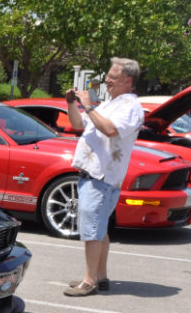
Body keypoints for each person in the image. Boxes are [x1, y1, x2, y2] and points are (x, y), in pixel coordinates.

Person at [62, 58, 145, 297]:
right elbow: (78, 124)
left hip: (102, 176)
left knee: (91, 230)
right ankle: (101, 276)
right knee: (100, 228)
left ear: (128, 81)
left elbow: (110, 130)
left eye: (113, 77)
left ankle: (89, 282)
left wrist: (89, 106)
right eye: (108, 75)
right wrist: (72, 104)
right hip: (93, 175)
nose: (107, 80)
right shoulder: (111, 104)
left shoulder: (129, 107)